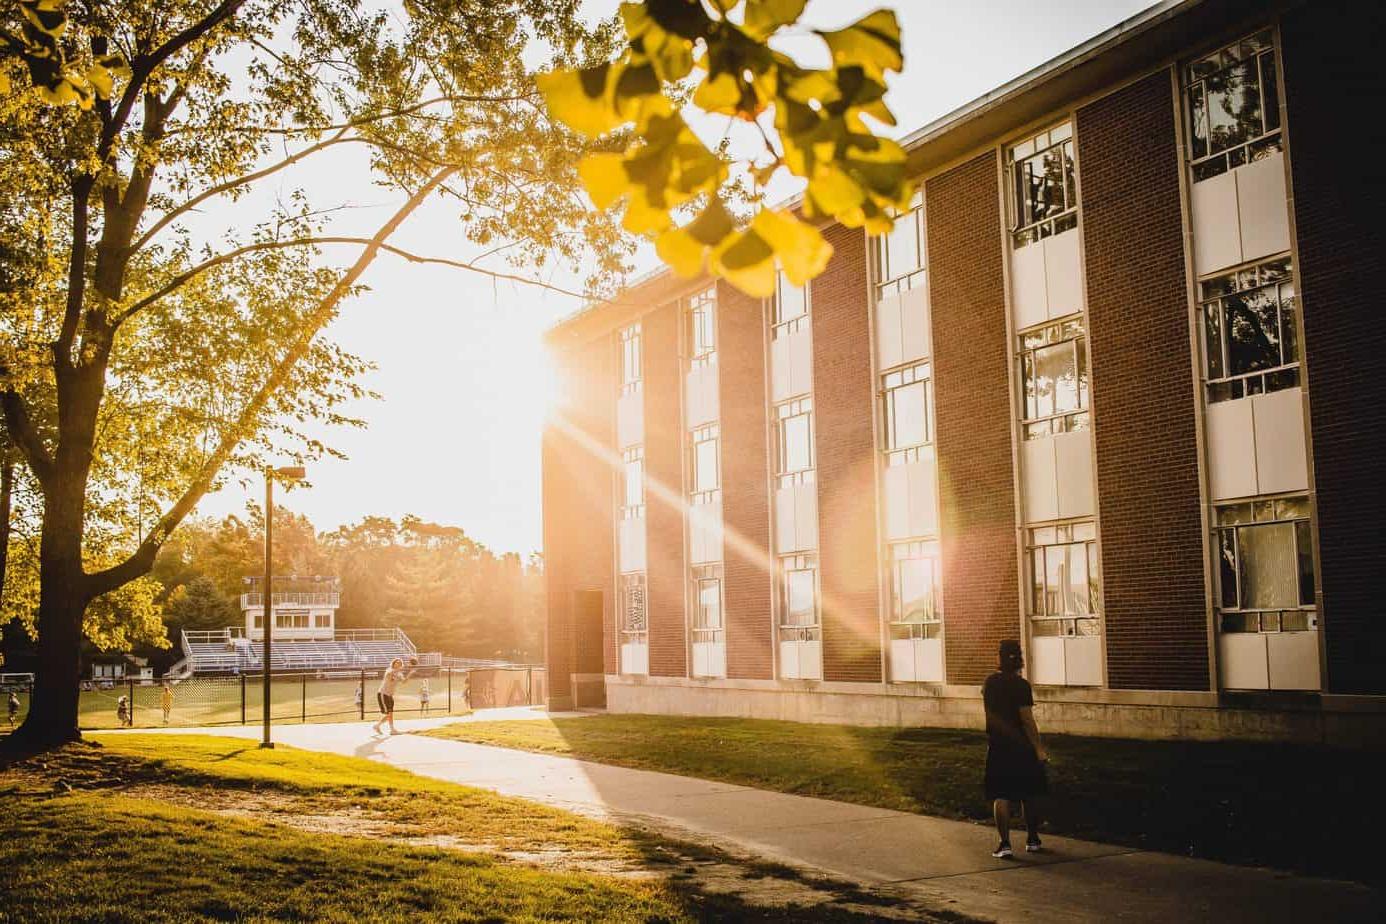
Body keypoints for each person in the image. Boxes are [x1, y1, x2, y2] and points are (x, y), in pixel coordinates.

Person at [982, 639, 1048, 859]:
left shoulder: (989, 683)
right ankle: (1033, 839)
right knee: (1029, 793)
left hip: (998, 745)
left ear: (999, 658)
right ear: (1019, 659)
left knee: (1001, 794)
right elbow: (1027, 720)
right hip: (1022, 746)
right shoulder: (1022, 685)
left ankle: (1005, 844)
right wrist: (1039, 748)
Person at [371, 656, 418, 736]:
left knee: (390, 713)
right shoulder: (389, 670)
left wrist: (410, 673)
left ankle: (377, 726)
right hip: (383, 693)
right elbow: (389, 675)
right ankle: (392, 730)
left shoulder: (399, 673)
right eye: (397, 662)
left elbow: (404, 682)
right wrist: (401, 668)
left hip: (390, 695)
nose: (398, 664)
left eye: (400, 663)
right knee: (389, 713)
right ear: (393, 663)